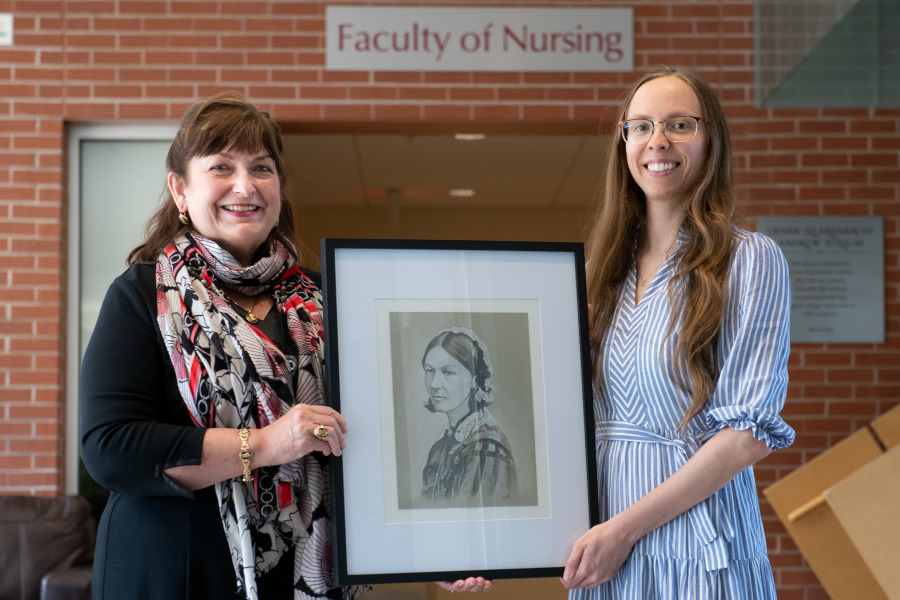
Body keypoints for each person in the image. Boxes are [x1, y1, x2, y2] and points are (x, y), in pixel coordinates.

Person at [80, 92, 490, 600]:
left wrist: (423, 549)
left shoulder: (328, 297)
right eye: (221, 167)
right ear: (180, 190)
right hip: (175, 571)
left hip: (300, 575)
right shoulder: (143, 295)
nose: (245, 186)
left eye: (262, 168)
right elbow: (111, 449)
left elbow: (368, 444)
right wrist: (269, 444)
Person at [561, 66, 795, 599]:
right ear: (624, 143)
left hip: (693, 553)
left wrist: (624, 531)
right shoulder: (601, 273)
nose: (657, 141)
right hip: (605, 556)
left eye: (679, 125)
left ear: (711, 139)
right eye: (640, 126)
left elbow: (746, 437)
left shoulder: (749, 260)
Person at [420, 327, 517, 505]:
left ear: (474, 378)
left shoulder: (487, 447)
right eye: (429, 370)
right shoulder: (439, 447)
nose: (434, 384)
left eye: (447, 372)